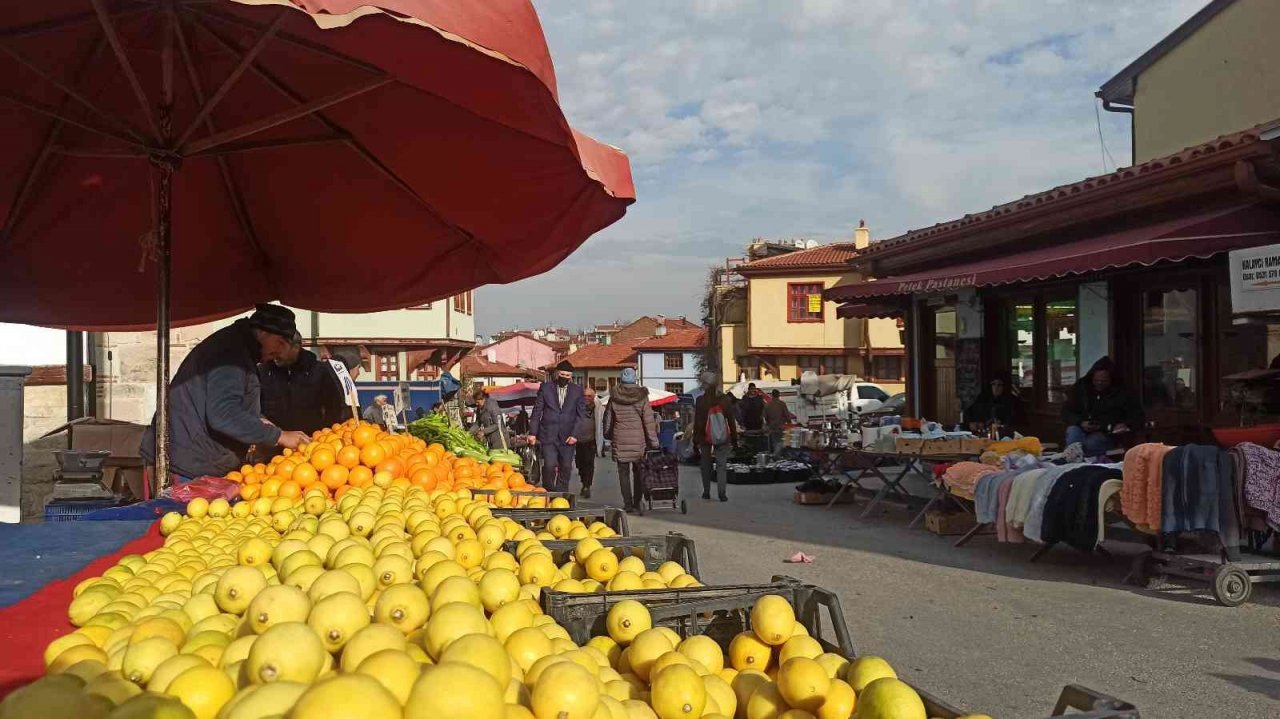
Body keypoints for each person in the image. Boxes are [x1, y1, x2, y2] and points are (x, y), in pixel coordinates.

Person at [140, 304, 311, 482]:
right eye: (280, 342)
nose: (281, 353)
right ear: (262, 332)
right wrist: (278, 436)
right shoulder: (230, 354)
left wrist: (259, 421)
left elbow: (229, 402)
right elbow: (223, 413)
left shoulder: (241, 349)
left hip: (192, 458)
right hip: (183, 463)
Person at [258, 332, 350, 437]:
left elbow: (334, 409)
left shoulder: (319, 371)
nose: (274, 351)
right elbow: (252, 408)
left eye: (280, 346)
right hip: (272, 440)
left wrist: (324, 436)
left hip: (311, 441)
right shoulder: (262, 371)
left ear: (296, 347)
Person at [1062, 356, 1145, 456]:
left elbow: (1137, 416)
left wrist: (1125, 424)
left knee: (1091, 443)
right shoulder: (1082, 388)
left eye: (1104, 381)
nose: (1099, 383)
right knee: (1072, 432)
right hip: (1082, 427)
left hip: (1107, 432)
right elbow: (1067, 411)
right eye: (1096, 380)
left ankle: (1081, 459)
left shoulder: (1123, 393)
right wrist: (1080, 422)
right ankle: (1073, 458)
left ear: (1111, 380)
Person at [603, 369, 658, 512]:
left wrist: (608, 435)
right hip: (638, 441)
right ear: (635, 379)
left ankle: (627, 504)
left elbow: (608, 419)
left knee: (623, 473)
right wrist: (653, 441)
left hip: (620, 439)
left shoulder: (614, 397)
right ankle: (637, 501)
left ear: (621, 379)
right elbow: (648, 421)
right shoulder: (642, 397)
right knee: (639, 472)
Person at [528, 361, 585, 491]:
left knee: (566, 467)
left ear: (571, 376)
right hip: (548, 435)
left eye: (567, 375)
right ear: (557, 373)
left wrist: (575, 434)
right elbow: (537, 411)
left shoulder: (577, 390)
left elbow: (580, 415)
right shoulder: (546, 388)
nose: (564, 377)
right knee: (549, 466)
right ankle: (548, 491)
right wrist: (532, 433)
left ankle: (561, 494)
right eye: (562, 374)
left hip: (568, 437)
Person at [694, 371, 738, 501]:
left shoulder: (700, 401)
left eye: (703, 383)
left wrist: (695, 440)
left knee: (705, 465)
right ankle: (722, 493)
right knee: (721, 465)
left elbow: (697, 422)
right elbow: (731, 421)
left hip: (704, 437)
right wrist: (734, 438)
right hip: (722, 436)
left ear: (706, 384)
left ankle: (706, 492)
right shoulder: (725, 400)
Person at [575, 389, 598, 499]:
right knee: (580, 464)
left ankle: (587, 486)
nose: (587, 398)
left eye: (589, 396)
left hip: (590, 441)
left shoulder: (597, 408)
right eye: (585, 396)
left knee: (589, 464)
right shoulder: (577, 407)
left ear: (593, 397)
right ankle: (583, 481)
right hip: (578, 440)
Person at [763, 389, 793, 455]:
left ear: (772, 395)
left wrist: (769, 424)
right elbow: (787, 415)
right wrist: (790, 424)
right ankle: (776, 456)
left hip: (771, 429)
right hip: (780, 428)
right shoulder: (782, 404)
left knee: (774, 444)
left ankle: (774, 456)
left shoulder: (767, 405)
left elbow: (765, 417)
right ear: (779, 395)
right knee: (780, 443)